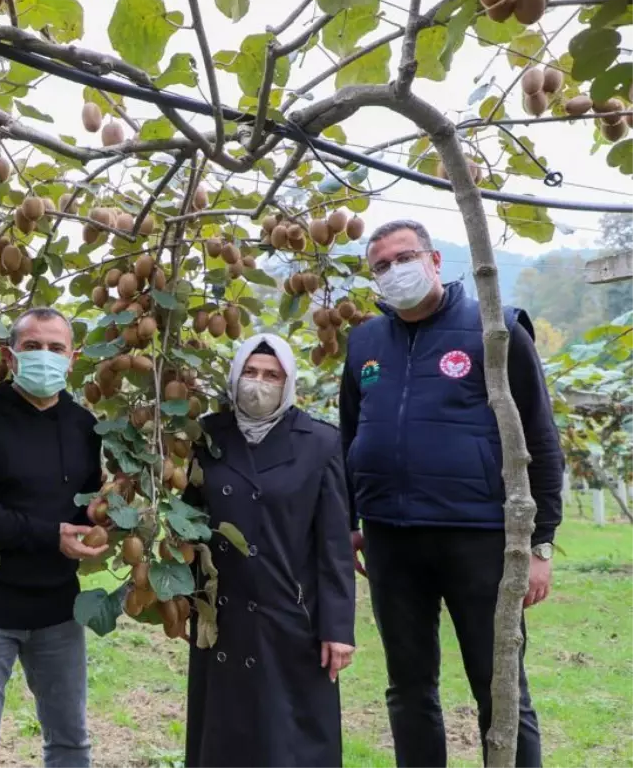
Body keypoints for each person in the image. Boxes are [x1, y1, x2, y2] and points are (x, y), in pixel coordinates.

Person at [340, 219, 564, 767]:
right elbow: (350, 434)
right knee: (409, 687)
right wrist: (349, 521)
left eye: (403, 257)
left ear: (435, 260)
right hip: (390, 539)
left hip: (478, 537)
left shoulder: (496, 330)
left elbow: (539, 437)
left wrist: (539, 544)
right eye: (381, 266)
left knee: (500, 686)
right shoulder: (365, 341)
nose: (394, 272)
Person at [0, 307, 107, 768]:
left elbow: (84, 505)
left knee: (71, 741)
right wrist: (50, 535)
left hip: (58, 610)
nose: (45, 357)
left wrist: (97, 522)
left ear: (73, 359)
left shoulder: (85, 426)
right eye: (32, 346)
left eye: (56, 348)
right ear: (9, 356)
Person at [184, 333, 356, 767]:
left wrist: (337, 627)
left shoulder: (319, 442)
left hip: (293, 614)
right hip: (222, 614)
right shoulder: (206, 436)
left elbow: (333, 544)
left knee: (290, 737)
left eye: (272, 375)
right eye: (251, 372)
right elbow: (185, 521)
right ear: (235, 375)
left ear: (288, 382)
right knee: (226, 733)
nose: (259, 384)